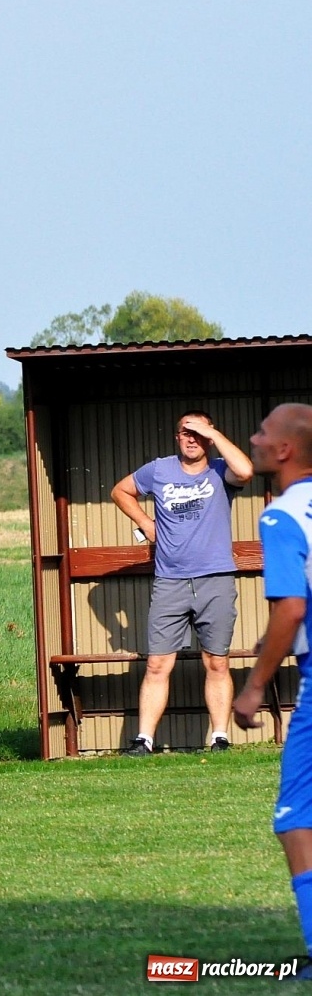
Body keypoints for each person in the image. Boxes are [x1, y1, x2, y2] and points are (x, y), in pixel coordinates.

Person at [111, 410, 252, 754]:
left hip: (215, 579)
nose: (192, 439)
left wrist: (213, 434)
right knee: (158, 663)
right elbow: (120, 491)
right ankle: (144, 741)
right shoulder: (159, 470)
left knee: (216, 661)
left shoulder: (220, 472)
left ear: (208, 437)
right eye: (185, 433)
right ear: (177, 437)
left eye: (198, 433)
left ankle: (220, 738)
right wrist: (145, 521)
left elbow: (246, 471)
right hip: (170, 581)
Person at [233, 403, 312, 980]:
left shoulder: (284, 516)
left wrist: (255, 685)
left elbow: (290, 608)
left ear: (284, 450)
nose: (255, 438)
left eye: (263, 431)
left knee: (295, 818)